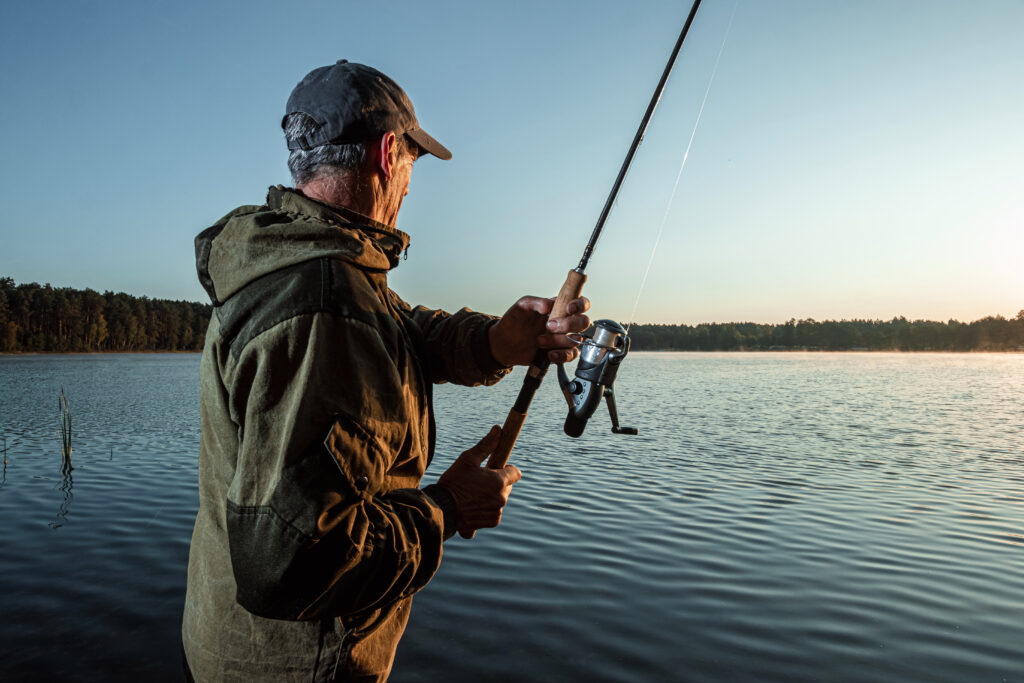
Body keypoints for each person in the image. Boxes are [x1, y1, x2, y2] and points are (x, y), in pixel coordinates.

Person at [181, 60, 590, 682]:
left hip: (234, 649)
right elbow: (290, 563)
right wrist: (448, 508)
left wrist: (497, 341)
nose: (409, 184)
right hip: (300, 668)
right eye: (411, 164)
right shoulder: (321, 302)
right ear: (386, 151)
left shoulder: (309, 263)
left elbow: (404, 328)